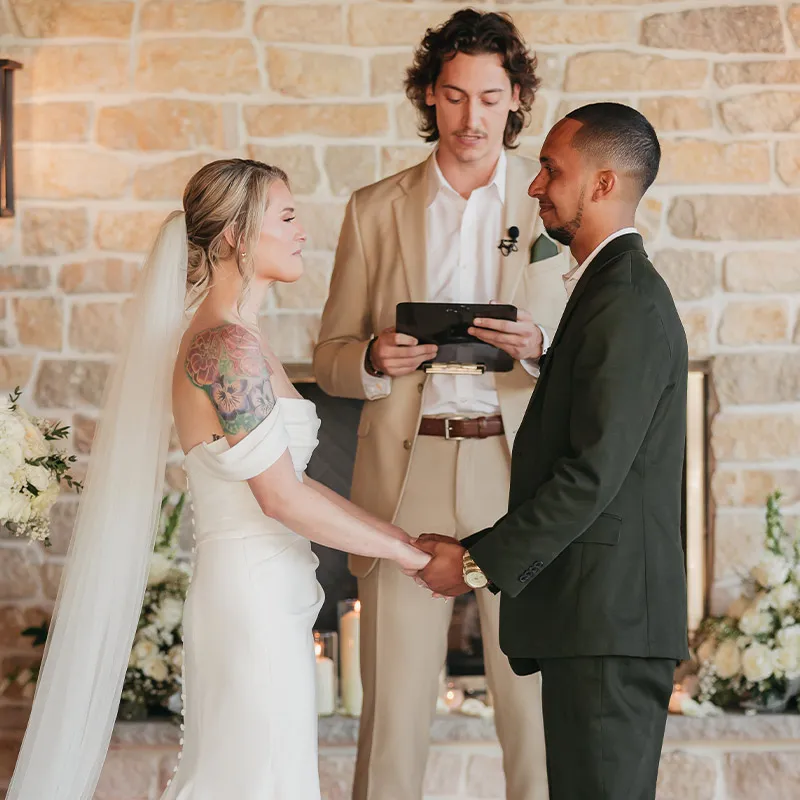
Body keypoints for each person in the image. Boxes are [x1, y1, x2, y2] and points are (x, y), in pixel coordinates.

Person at [7, 159, 430, 800]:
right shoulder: (223, 347)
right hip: (249, 603)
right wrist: (403, 551)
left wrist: (398, 538)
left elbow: (290, 485)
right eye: (286, 217)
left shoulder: (243, 339)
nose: (301, 232)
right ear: (234, 236)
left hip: (269, 591)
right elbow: (282, 495)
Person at [313, 10, 568, 800]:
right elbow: (329, 357)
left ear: (516, 96)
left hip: (515, 471)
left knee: (531, 712)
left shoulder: (553, 205)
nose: (471, 119)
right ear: (431, 96)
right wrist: (371, 360)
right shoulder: (373, 208)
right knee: (390, 716)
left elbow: (592, 358)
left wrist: (539, 349)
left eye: (490, 98)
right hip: (403, 472)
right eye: (454, 97)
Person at [415, 103, 690, 800]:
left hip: (608, 625)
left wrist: (477, 563)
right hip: (596, 623)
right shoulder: (608, 292)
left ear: (602, 184)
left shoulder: (625, 298)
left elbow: (591, 474)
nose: (534, 187)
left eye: (550, 169)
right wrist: (548, 354)